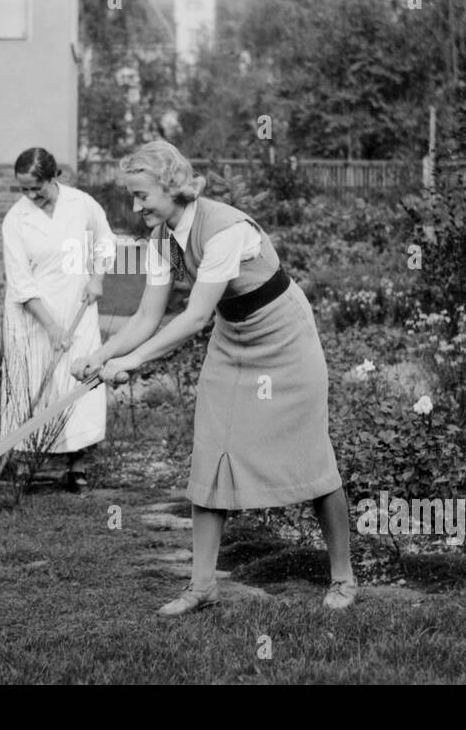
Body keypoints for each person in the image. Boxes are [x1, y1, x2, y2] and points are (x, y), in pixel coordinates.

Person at [72, 140, 356, 615]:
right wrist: (100, 354)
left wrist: (132, 364)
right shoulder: (162, 238)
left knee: (312, 457)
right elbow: (148, 315)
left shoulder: (225, 228)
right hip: (234, 340)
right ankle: (202, 585)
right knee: (210, 452)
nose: (135, 205)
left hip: (285, 339)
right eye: (133, 196)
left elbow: (195, 316)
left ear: (171, 187)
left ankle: (344, 579)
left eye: (142, 195)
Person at [1, 147, 115, 492]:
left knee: (79, 382)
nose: (31, 196)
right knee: (29, 383)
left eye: (37, 187)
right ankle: (23, 464)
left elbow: (105, 240)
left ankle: (77, 467)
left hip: (78, 307)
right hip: (33, 316)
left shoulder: (82, 204)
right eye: (24, 189)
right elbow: (20, 282)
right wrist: (51, 328)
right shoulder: (15, 220)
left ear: (54, 178)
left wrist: (97, 277)